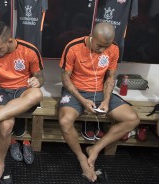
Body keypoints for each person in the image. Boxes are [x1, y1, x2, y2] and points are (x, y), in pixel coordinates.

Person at [58, 22, 140, 182]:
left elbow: (110, 77)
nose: (102, 50)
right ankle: (82, 158)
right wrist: (82, 100)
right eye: (99, 45)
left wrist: (107, 100)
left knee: (133, 119)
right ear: (91, 37)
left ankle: (94, 149)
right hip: (75, 91)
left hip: (100, 91)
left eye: (106, 46)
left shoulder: (114, 48)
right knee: (65, 121)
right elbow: (65, 77)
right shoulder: (73, 46)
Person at [0, 21, 44, 184]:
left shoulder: (29, 50)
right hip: (1, 91)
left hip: (23, 89)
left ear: (10, 41)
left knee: (37, 94)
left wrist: (37, 81)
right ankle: (0, 166)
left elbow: (41, 77)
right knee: (6, 125)